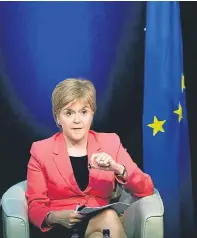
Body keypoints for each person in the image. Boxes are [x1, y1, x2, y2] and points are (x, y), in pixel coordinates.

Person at [26, 78, 154, 238]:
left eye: (84, 112)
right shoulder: (41, 150)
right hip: (60, 228)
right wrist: (55, 217)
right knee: (108, 218)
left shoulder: (110, 142)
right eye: (69, 113)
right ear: (58, 118)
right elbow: (35, 205)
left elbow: (146, 188)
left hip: (99, 224)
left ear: (92, 114)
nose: (77, 120)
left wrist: (117, 168)